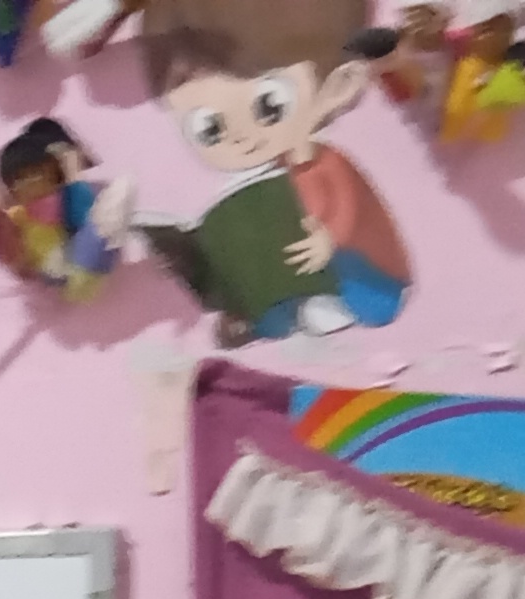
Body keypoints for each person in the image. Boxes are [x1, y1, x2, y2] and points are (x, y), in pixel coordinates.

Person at [134, 0, 410, 342]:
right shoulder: (280, 170)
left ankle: (312, 304)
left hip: (369, 278)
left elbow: (348, 207)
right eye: (210, 129)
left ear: (335, 84)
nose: (240, 137)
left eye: (269, 106)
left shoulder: (323, 160)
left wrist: (330, 238)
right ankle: (261, 311)